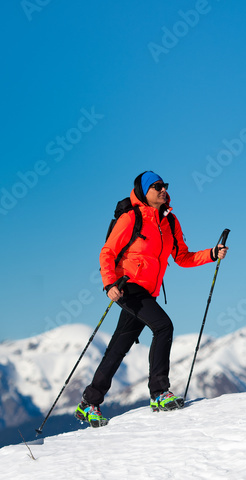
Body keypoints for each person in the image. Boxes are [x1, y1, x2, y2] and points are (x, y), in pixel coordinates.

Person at [75, 171, 227, 427]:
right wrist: (109, 283)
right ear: (145, 191)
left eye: (164, 185)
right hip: (127, 287)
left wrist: (212, 254)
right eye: (157, 186)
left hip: (148, 291)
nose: (163, 189)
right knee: (163, 326)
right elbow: (107, 252)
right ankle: (159, 393)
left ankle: (89, 403)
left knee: (118, 348)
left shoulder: (169, 222)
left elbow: (182, 257)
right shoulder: (131, 218)